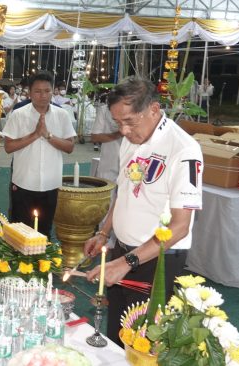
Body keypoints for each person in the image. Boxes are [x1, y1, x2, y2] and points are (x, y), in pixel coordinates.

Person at [83, 77, 203, 346]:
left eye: (130, 121)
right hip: (123, 251)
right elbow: (124, 191)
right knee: (115, 333)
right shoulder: (131, 140)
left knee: (143, 343)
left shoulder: (184, 150)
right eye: (117, 123)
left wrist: (127, 263)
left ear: (154, 109)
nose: (124, 131)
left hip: (156, 262)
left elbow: (180, 226)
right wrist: (104, 233)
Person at [3, 71, 76, 237]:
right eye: (37, 91)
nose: (43, 95)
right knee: (19, 231)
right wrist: (35, 135)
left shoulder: (62, 115)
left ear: (52, 91)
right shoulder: (19, 114)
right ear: (29, 92)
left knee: (44, 231)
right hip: (23, 182)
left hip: (50, 183)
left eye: (47, 91)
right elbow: (8, 147)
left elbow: (70, 147)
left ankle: (42, 263)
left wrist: (48, 135)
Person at [90, 94, 122, 248]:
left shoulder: (139, 113)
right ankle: (102, 243)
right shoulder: (104, 110)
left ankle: (119, 243)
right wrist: (118, 134)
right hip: (109, 165)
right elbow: (95, 136)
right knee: (106, 206)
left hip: (132, 169)